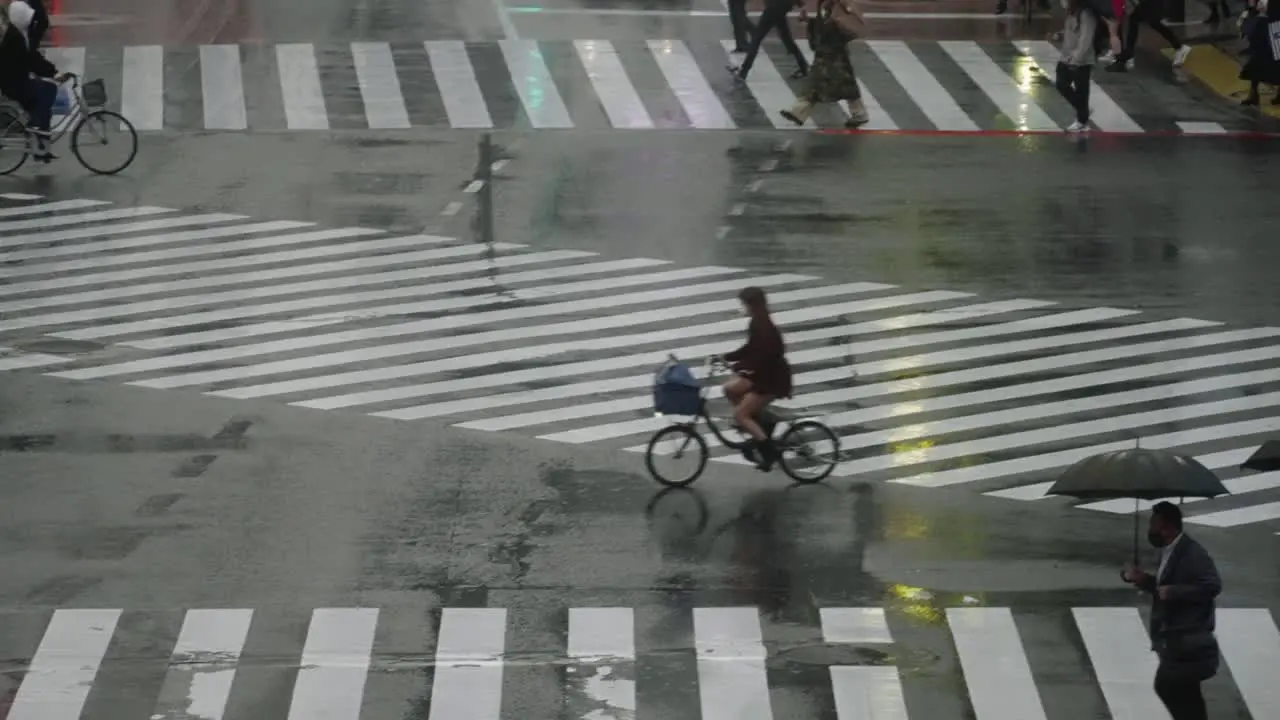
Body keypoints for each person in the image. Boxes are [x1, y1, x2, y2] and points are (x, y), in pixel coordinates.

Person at [1121, 502, 1221, 720]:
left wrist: (1175, 591)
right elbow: (1162, 588)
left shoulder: (1193, 553)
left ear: (1166, 527)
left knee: (1168, 686)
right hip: (1178, 637)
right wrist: (1143, 580)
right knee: (1187, 694)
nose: (1150, 530)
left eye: (1153, 524)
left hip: (1188, 637)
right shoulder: (1171, 550)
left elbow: (1212, 586)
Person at [720, 287, 793, 471]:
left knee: (740, 415)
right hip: (763, 375)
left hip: (771, 380)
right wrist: (727, 357)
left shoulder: (764, 326)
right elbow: (750, 348)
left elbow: (762, 356)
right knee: (730, 389)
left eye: (745, 303)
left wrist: (740, 366)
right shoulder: (757, 322)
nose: (743, 307)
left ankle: (769, 453)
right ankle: (759, 424)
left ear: (753, 305)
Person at [781, 0, 869, 127]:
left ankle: (798, 112)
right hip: (826, 52)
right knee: (830, 83)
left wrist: (827, 23)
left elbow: (844, 26)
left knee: (837, 83)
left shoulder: (839, 5)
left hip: (834, 53)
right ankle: (859, 113)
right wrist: (809, 21)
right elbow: (822, 24)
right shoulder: (825, 4)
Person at [0, 0, 66, 162]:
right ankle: (35, 127)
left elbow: (31, 58)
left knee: (45, 106)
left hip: (17, 81)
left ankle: (42, 148)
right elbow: (31, 60)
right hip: (14, 85)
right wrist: (53, 73)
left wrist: (52, 72)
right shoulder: (16, 38)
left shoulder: (18, 34)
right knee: (48, 91)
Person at [729, 0, 809, 82]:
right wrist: (801, 5)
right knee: (786, 38)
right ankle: (803, 67)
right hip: (784, 6)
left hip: (773, 8)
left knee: (756, 39)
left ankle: (743, 72)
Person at [1056, 0, 1100, 132]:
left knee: (1082, 89)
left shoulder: (1086, 14)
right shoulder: (1071, 13)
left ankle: (1082, 120)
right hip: (1066, 56)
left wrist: (1076, 58)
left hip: (1081, 61)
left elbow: (1086, 39)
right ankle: (1083, 111)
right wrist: (1059, 35)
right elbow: (1071, 32)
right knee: (1061, 84)